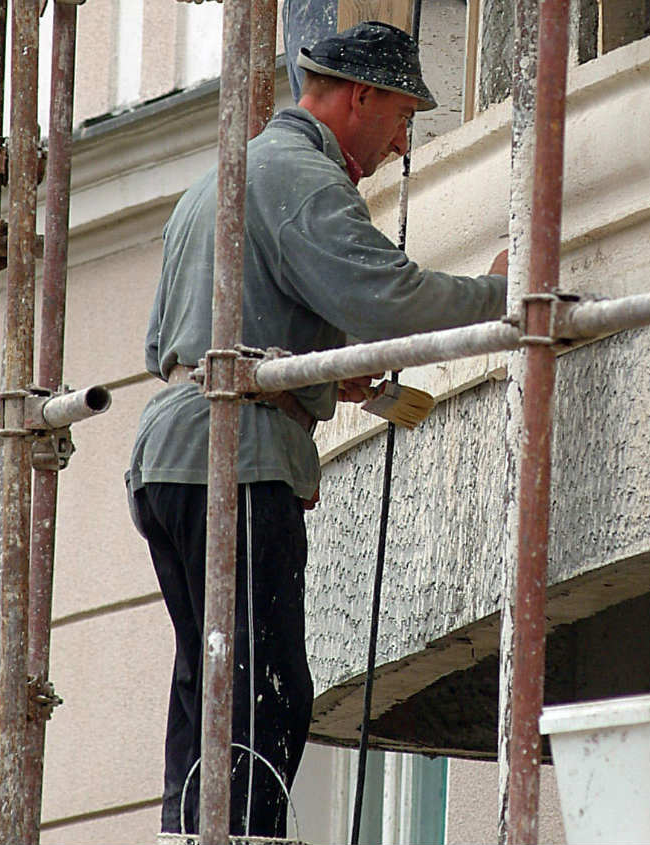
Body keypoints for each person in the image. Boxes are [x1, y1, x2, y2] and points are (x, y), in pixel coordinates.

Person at [126, 20, 507, 836]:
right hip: (234, 454)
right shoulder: (300, 175)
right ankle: (244, 836)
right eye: (404, 115)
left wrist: (323, 372)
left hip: (172, 455)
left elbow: (170, 340)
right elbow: (387, 298)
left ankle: (193, 831)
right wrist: (503, 297)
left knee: (209, 676)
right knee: (268, 683)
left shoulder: (230, 175)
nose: (406, 143)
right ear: (358, 96)